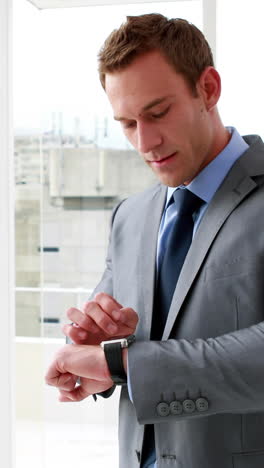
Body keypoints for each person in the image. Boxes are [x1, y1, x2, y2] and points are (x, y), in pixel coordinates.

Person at [45, 13, 264, 468]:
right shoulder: (130, 216)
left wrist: (124, 364)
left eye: (158, 113)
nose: (145, 142)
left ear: (208, 88)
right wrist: (93, 349)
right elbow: (111, 350)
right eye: (126, 123)